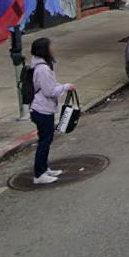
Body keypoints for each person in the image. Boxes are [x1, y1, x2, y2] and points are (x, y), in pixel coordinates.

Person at [28, 38, 75, 185]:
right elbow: (49, 91)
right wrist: (66, 87)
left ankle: (44, 168)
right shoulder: (42, 69)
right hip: (42, 110)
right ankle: (39, 174)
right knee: (44, 141)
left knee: (46, 140)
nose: (53, 48)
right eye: (50, 46)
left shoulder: (42, 65)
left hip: (43, 108)